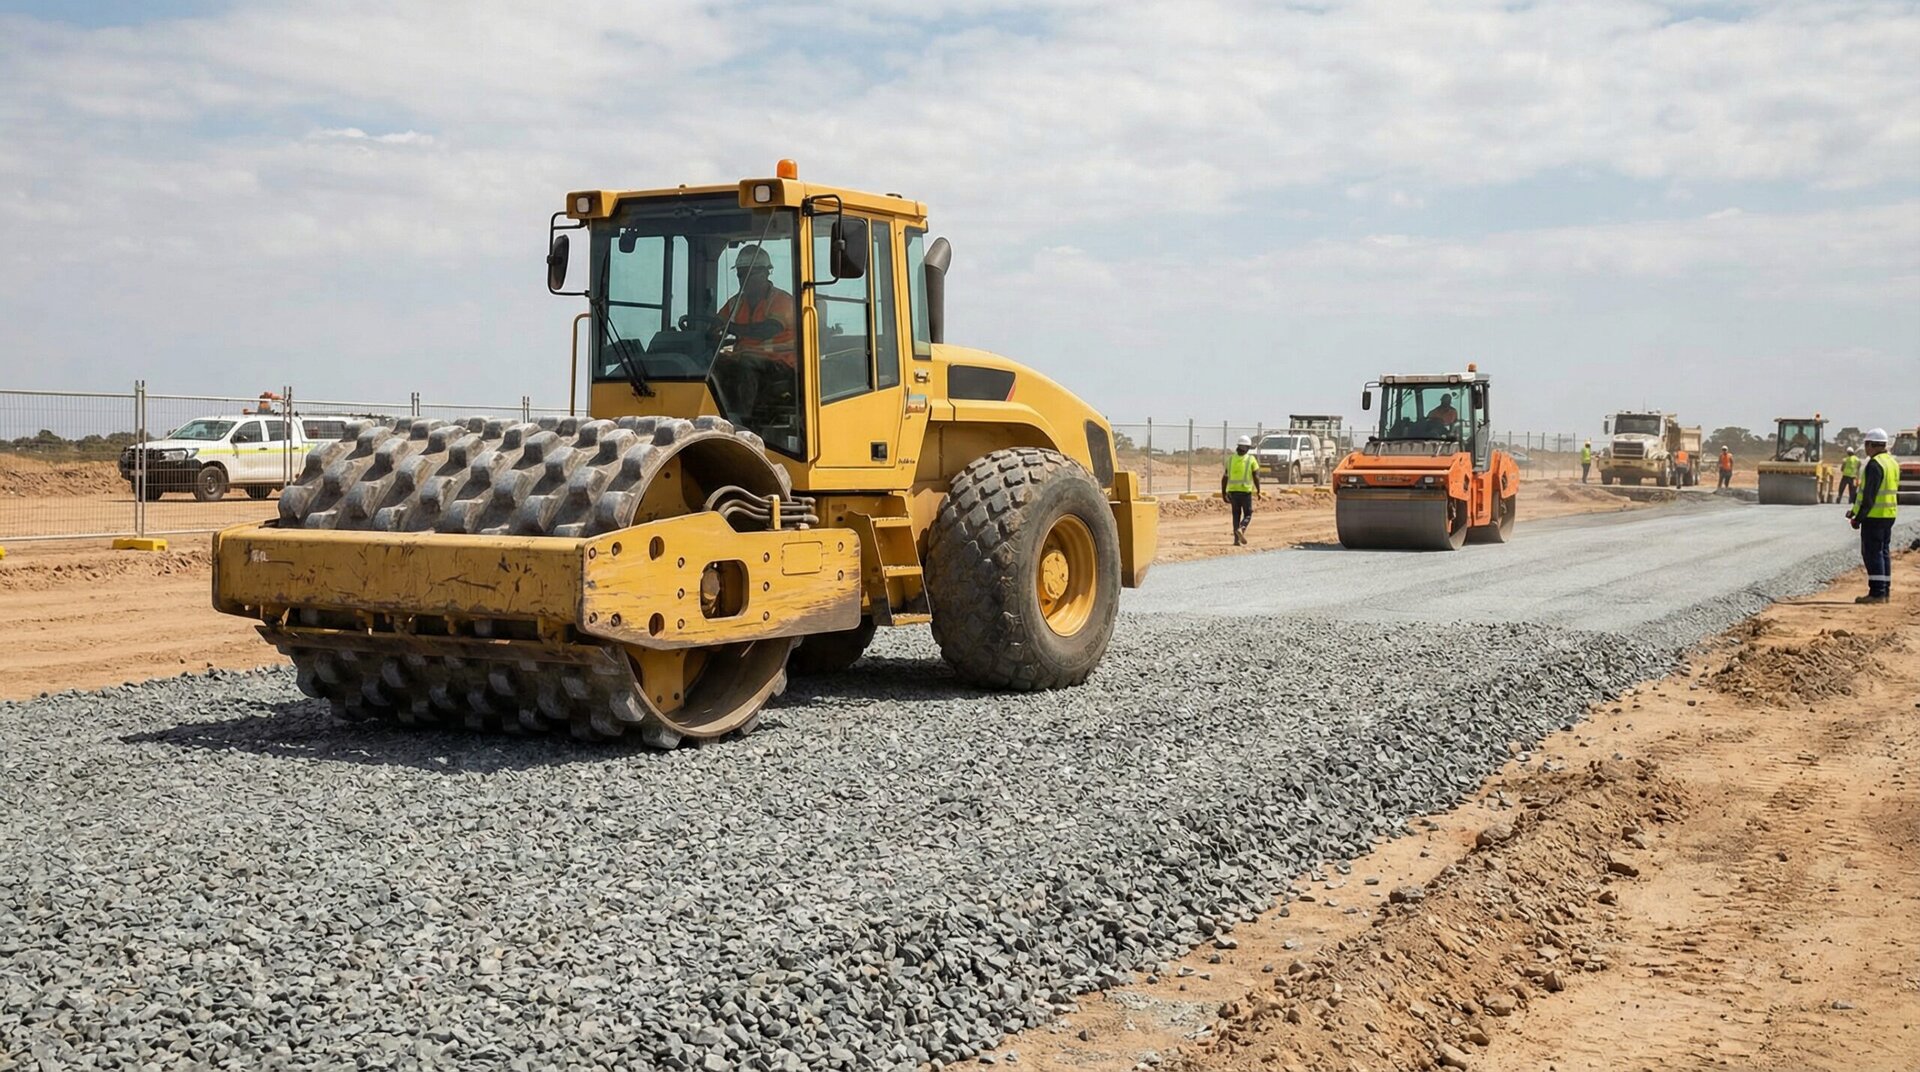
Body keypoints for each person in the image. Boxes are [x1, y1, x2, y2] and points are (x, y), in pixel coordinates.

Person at [710, 245, 797, 418]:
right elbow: (716, 324)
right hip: (744, 358)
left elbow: (766, 330)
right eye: (740, 274)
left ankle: (742, 420)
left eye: (749, 274)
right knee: (709, 366)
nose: (744, 279)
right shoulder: (735, 303)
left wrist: (730, 328)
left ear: (765, 273)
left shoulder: (782, 301)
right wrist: (708, 332)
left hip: (781, 363)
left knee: (745, 365)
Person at [1846, 429, 1898, 604]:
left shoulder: (1875, 465)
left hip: (1875, 516)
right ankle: (1884, 591)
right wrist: (1854, 510)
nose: (1866, 449)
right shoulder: (1892, 462)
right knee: (1883, 552)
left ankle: (1877, 593)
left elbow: (1869, 496)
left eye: (1866, 445)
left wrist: (1858, 518)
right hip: (1889, 515)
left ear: (1870, 445)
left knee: (1872, 553)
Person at [1221, 435, 1262, 545]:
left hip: (1233, 492)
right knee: (1248, 514)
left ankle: (1236, 540)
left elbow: (1224, 478)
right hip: (1245, 492)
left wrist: (1223, 493)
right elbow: (1256, 476)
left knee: (1236, 515)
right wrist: (1259, 490)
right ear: (1248, 448)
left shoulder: (1230, 459)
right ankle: (1242, 528)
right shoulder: (1251, 459)